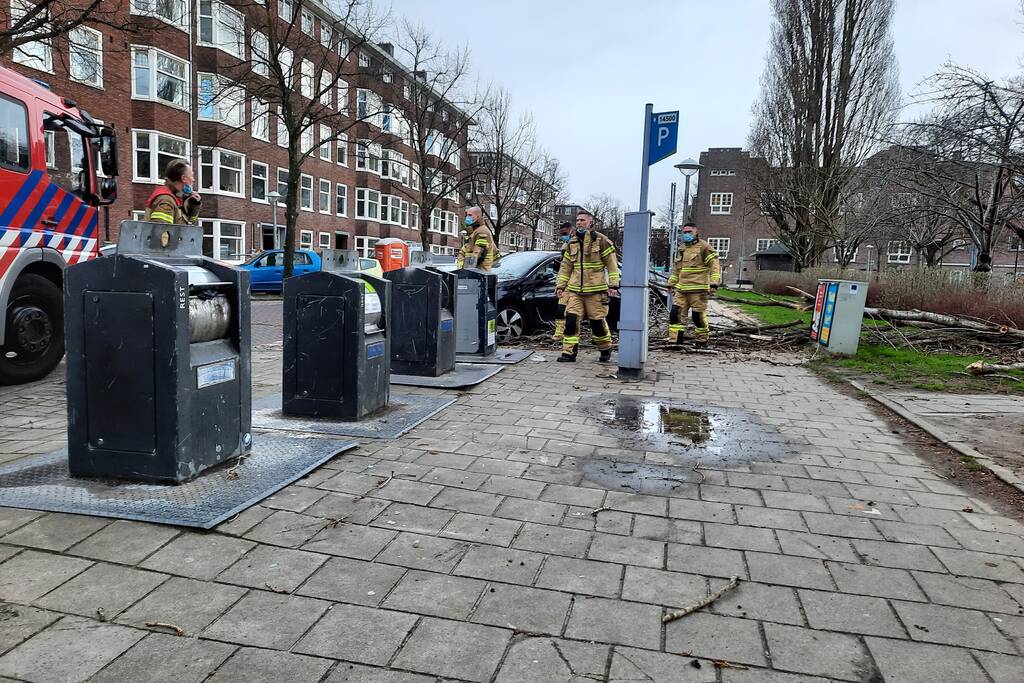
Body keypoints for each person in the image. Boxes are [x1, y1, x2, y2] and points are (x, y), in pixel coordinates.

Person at [555, 210, 620, 363]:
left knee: (597, 323)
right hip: (575, 290)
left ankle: (605, 349)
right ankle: (568, 353)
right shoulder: (571, 242)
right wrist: (561, 286)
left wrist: (613, 285)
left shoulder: (601, 240)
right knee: (571, 320)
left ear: (591, 222)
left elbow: (612, 265)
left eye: (582, 220)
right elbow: (566, 267)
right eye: (577, 220)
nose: (579, 223)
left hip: (596, 291)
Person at [667, 222, 721, 345]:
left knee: (698, 317)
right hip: (682, 290)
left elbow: (715, 266)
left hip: (699, 290)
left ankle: (701, 341)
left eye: (689, 232)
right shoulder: (682, 248)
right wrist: (671, 283)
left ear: (696, 232)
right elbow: (677, 269)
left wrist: (714, 284)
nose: (686, 234)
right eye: (684, 232)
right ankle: (675, 341)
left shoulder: (704, 247)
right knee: (675, 314)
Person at [144, 158, 201, 225]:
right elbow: (162, 232)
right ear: (183, 178)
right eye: (192, 176)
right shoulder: (165, 200)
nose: (193, 180)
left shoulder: (175, 197)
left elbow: (190, 224)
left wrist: (193, 205)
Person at [552, 220, 574, 341]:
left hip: (576, 284)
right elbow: (564, 267)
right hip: (566, 284)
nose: (563, 236)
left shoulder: (575, 244)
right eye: (561, 234)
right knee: (560, 310)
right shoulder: (565, 246)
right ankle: (559, 333)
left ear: (571, 230)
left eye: (564, 233)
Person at [456, 206, 496, 270]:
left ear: (477, 217)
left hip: (478, 273)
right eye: (466, 215)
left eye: (470, 215)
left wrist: (465, 271)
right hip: (476, 272)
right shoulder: (475, 231)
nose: (467, 217)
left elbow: (478, 255)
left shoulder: (482, 232)